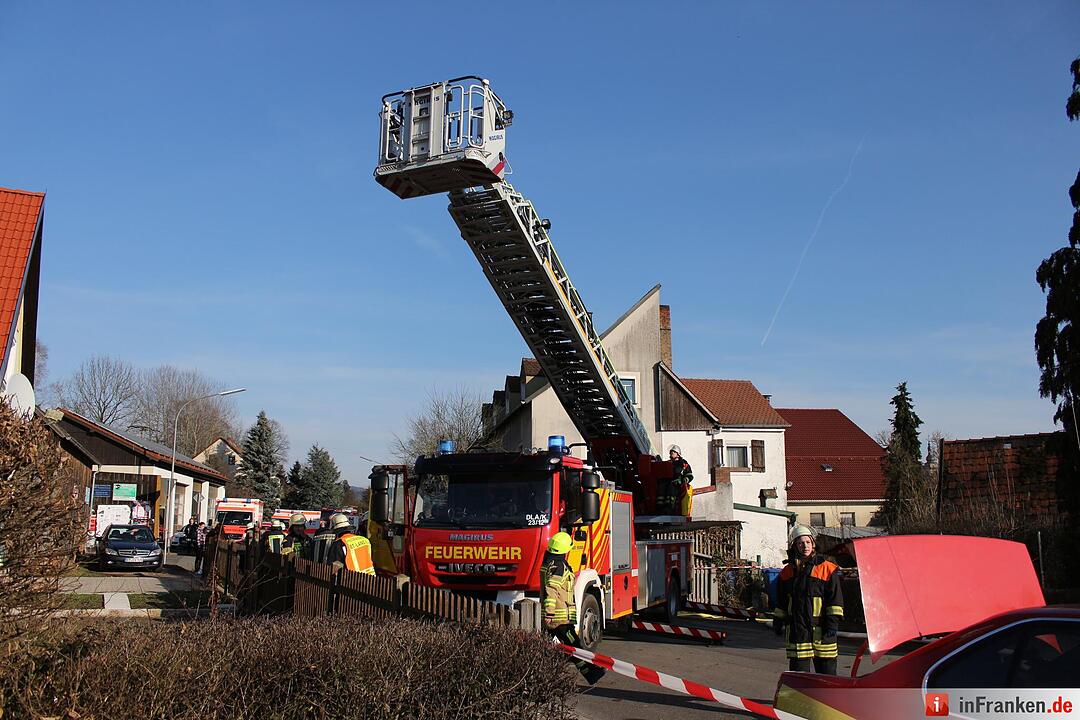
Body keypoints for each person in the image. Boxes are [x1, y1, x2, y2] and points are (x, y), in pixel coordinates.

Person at [773, 525, 844, 675]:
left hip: (822, 629)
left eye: (807, 542)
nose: (805, 546)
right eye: (800, 543)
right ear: (795, 546)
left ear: (813, 544)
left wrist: (832, 623)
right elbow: (782, 601)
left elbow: (835, 600)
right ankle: (801, 699)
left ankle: (828, 699)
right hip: (798, 630)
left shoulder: (827, 568)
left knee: (827, 675)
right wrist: (778, 620)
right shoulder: (787, 572)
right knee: (800, 676)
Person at [541, 532, 605, 685]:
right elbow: (552, 589)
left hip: (556, 616)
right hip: (560, 618)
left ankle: (540, 676)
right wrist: (550, 613)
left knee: (548, 648)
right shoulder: (559, 567)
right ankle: (593, 674)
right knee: (575, 647)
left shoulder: (549, 564)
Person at [669, 445, 694, 517]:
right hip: (669, 484)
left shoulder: (684, 464)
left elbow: (690, 476)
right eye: (670, 452)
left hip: (679, 486)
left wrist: (685, 480)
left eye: (673, 452)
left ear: (678, 453)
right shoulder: (668, 463)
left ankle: (674, 510)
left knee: (675, 496)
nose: (671, 454)